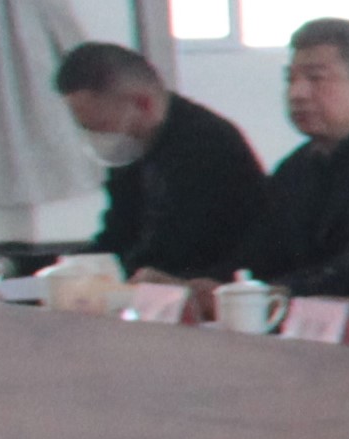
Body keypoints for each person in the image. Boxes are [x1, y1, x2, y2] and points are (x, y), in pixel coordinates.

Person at [49, 41, 264, 282]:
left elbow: (180, 247)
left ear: (144, 104)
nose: (98, 138)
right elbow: (119, 231)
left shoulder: (207, 144)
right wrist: (75, 269)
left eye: (102, 126)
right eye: (86, 128)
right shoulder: (131, 148)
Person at [243, 18, 349, 296]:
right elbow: (260, 257)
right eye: (290, 79)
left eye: (316, 78)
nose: (297, 94)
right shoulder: (294, 169)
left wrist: (284, 291)